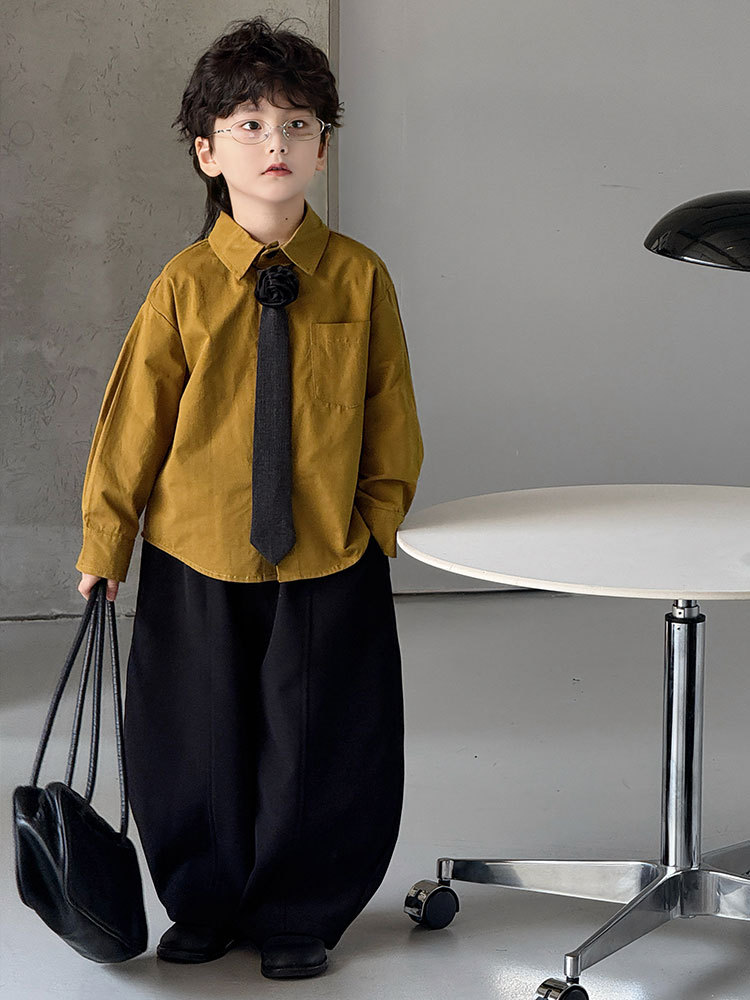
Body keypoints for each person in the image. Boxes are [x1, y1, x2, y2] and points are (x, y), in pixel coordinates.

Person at [75, 14, 424, 981]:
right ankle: (204, 898)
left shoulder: (359, 277)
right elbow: (132, 420)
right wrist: (106, 544)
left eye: (299, 125)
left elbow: (390, 413)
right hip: (199, 550)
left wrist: (376, 527)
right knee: (194, 736)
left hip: (327, 550)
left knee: (323, 743)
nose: (277, 143)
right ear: (208, 150)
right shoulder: (184, 285)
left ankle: (302, 908)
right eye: (251, 125)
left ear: (323, 148)